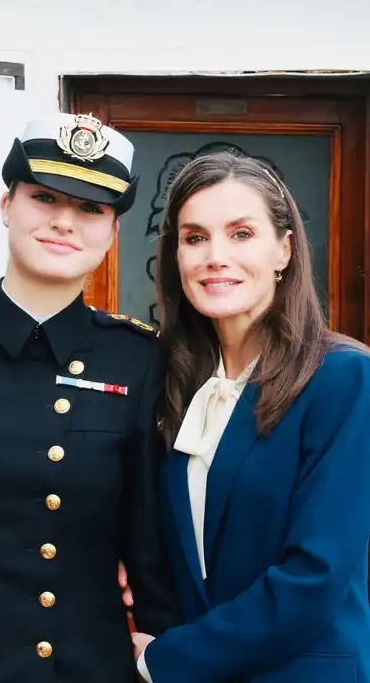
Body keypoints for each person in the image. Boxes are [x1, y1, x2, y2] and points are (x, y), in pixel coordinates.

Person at [0, 113, 179, 683]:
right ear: (6, 206)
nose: (64, 222)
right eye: (44, 197)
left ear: (113, 232)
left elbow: (150, 550)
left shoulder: (138, 361)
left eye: (91, 209)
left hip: (79, 665)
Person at [130, 152, 370, 682]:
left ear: (284, 250)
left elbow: (315, 576)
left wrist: (164, 660)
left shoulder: (344, 379)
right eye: (195, 238)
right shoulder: (177, 384)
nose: (216, 256)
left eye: (241, 234)